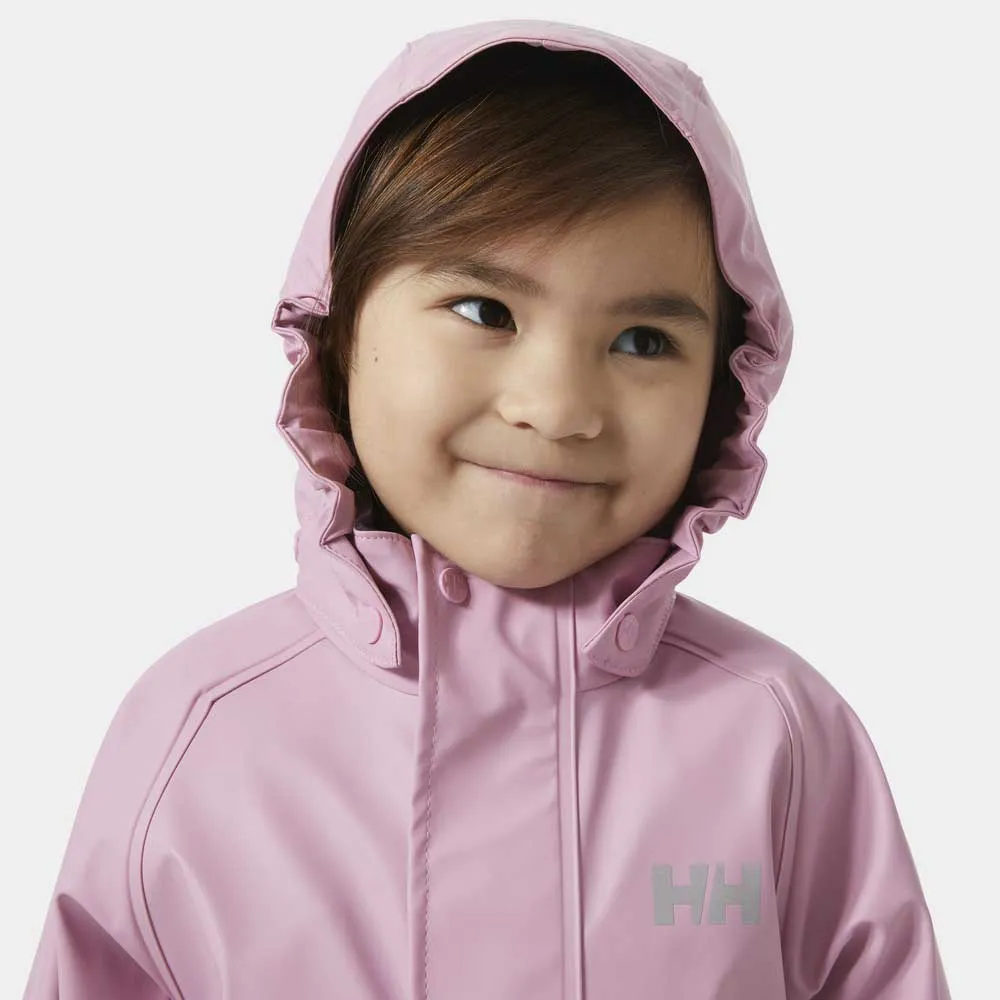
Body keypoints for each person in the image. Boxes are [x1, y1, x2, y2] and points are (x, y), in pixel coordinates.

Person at [21, 19, 952, 1000]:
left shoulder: (778, 738)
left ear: (726, 386)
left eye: (643, 340)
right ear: (336, 330)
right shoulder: (200, 730)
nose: (556, 407)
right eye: (484, 311)